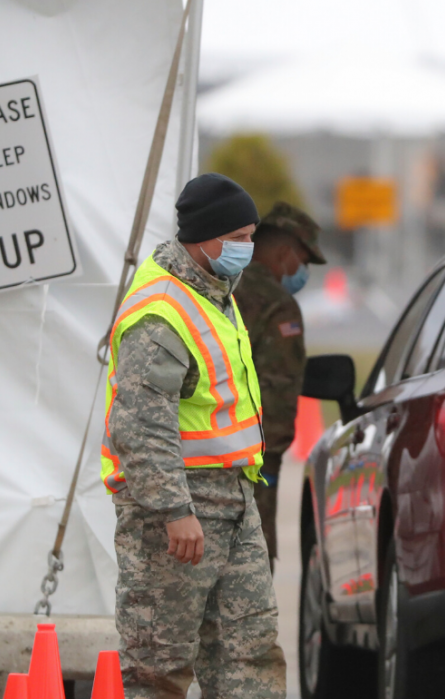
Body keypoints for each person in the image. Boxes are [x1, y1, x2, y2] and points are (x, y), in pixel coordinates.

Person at [101, 173, 286, 699]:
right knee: (159, 666)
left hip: (233, 500)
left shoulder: (214, 293)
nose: (249, 249)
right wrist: (173, 509)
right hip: (177, 511)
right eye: (241, 237)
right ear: (205, 238)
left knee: (249, 654)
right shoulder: (161, 309)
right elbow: (141, 422)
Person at [236, 202, 325, 569]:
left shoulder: (220, 290)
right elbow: (278, 387)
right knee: (251, 569)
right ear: (285, 251)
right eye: (303, 261)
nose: (302, 272)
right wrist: (269, 461)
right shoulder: (278, 305)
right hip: (253, 462)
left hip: (201, 452)